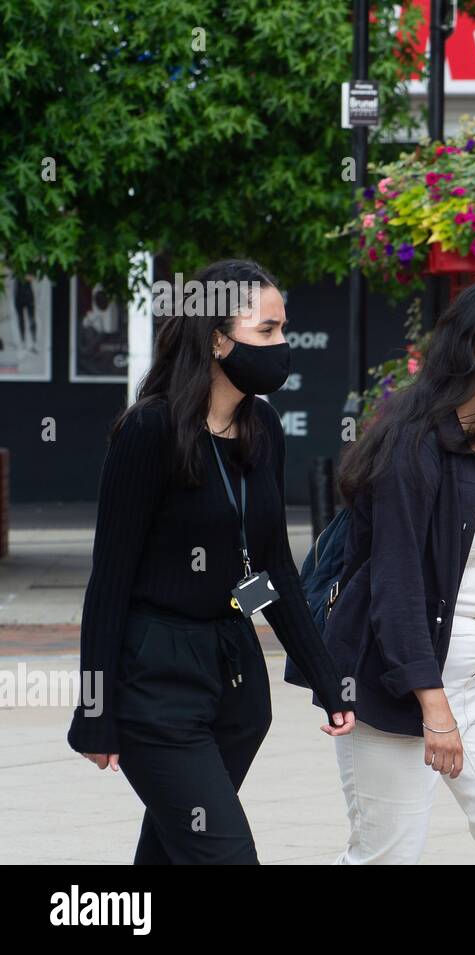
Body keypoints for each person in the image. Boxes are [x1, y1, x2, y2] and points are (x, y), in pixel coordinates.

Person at [67, 258, 355, 864]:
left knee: (174, 849)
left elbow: (272, 567)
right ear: (218, 339)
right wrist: (95, 709)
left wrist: (326, 679)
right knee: (223, 855)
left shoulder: (263, 426)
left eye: (284, 328)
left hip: (235, 679)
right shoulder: (150, 430)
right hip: (155, 679)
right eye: (267, 331)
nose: (283, 345)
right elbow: (110, 579)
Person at [324, 276, 475, 865]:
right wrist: (434, 710)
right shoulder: (412, 447)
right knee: (387, 855)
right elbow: (396, 586)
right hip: (400, 688)